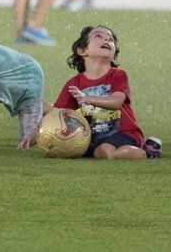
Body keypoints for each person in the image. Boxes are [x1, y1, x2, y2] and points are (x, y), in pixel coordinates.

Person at [51, 26, 162, 159]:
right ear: (82, 50)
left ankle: (148, 151)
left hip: (122, 132)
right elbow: (58, 113)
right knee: (69, 150)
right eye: (98, 36)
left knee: (105, 152)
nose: (106, 39)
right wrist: (40, 132)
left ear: (114, 55)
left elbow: (117, 101)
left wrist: (87, 98)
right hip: (92, 137)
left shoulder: (118, 75)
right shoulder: (73, 83)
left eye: (110, 39)